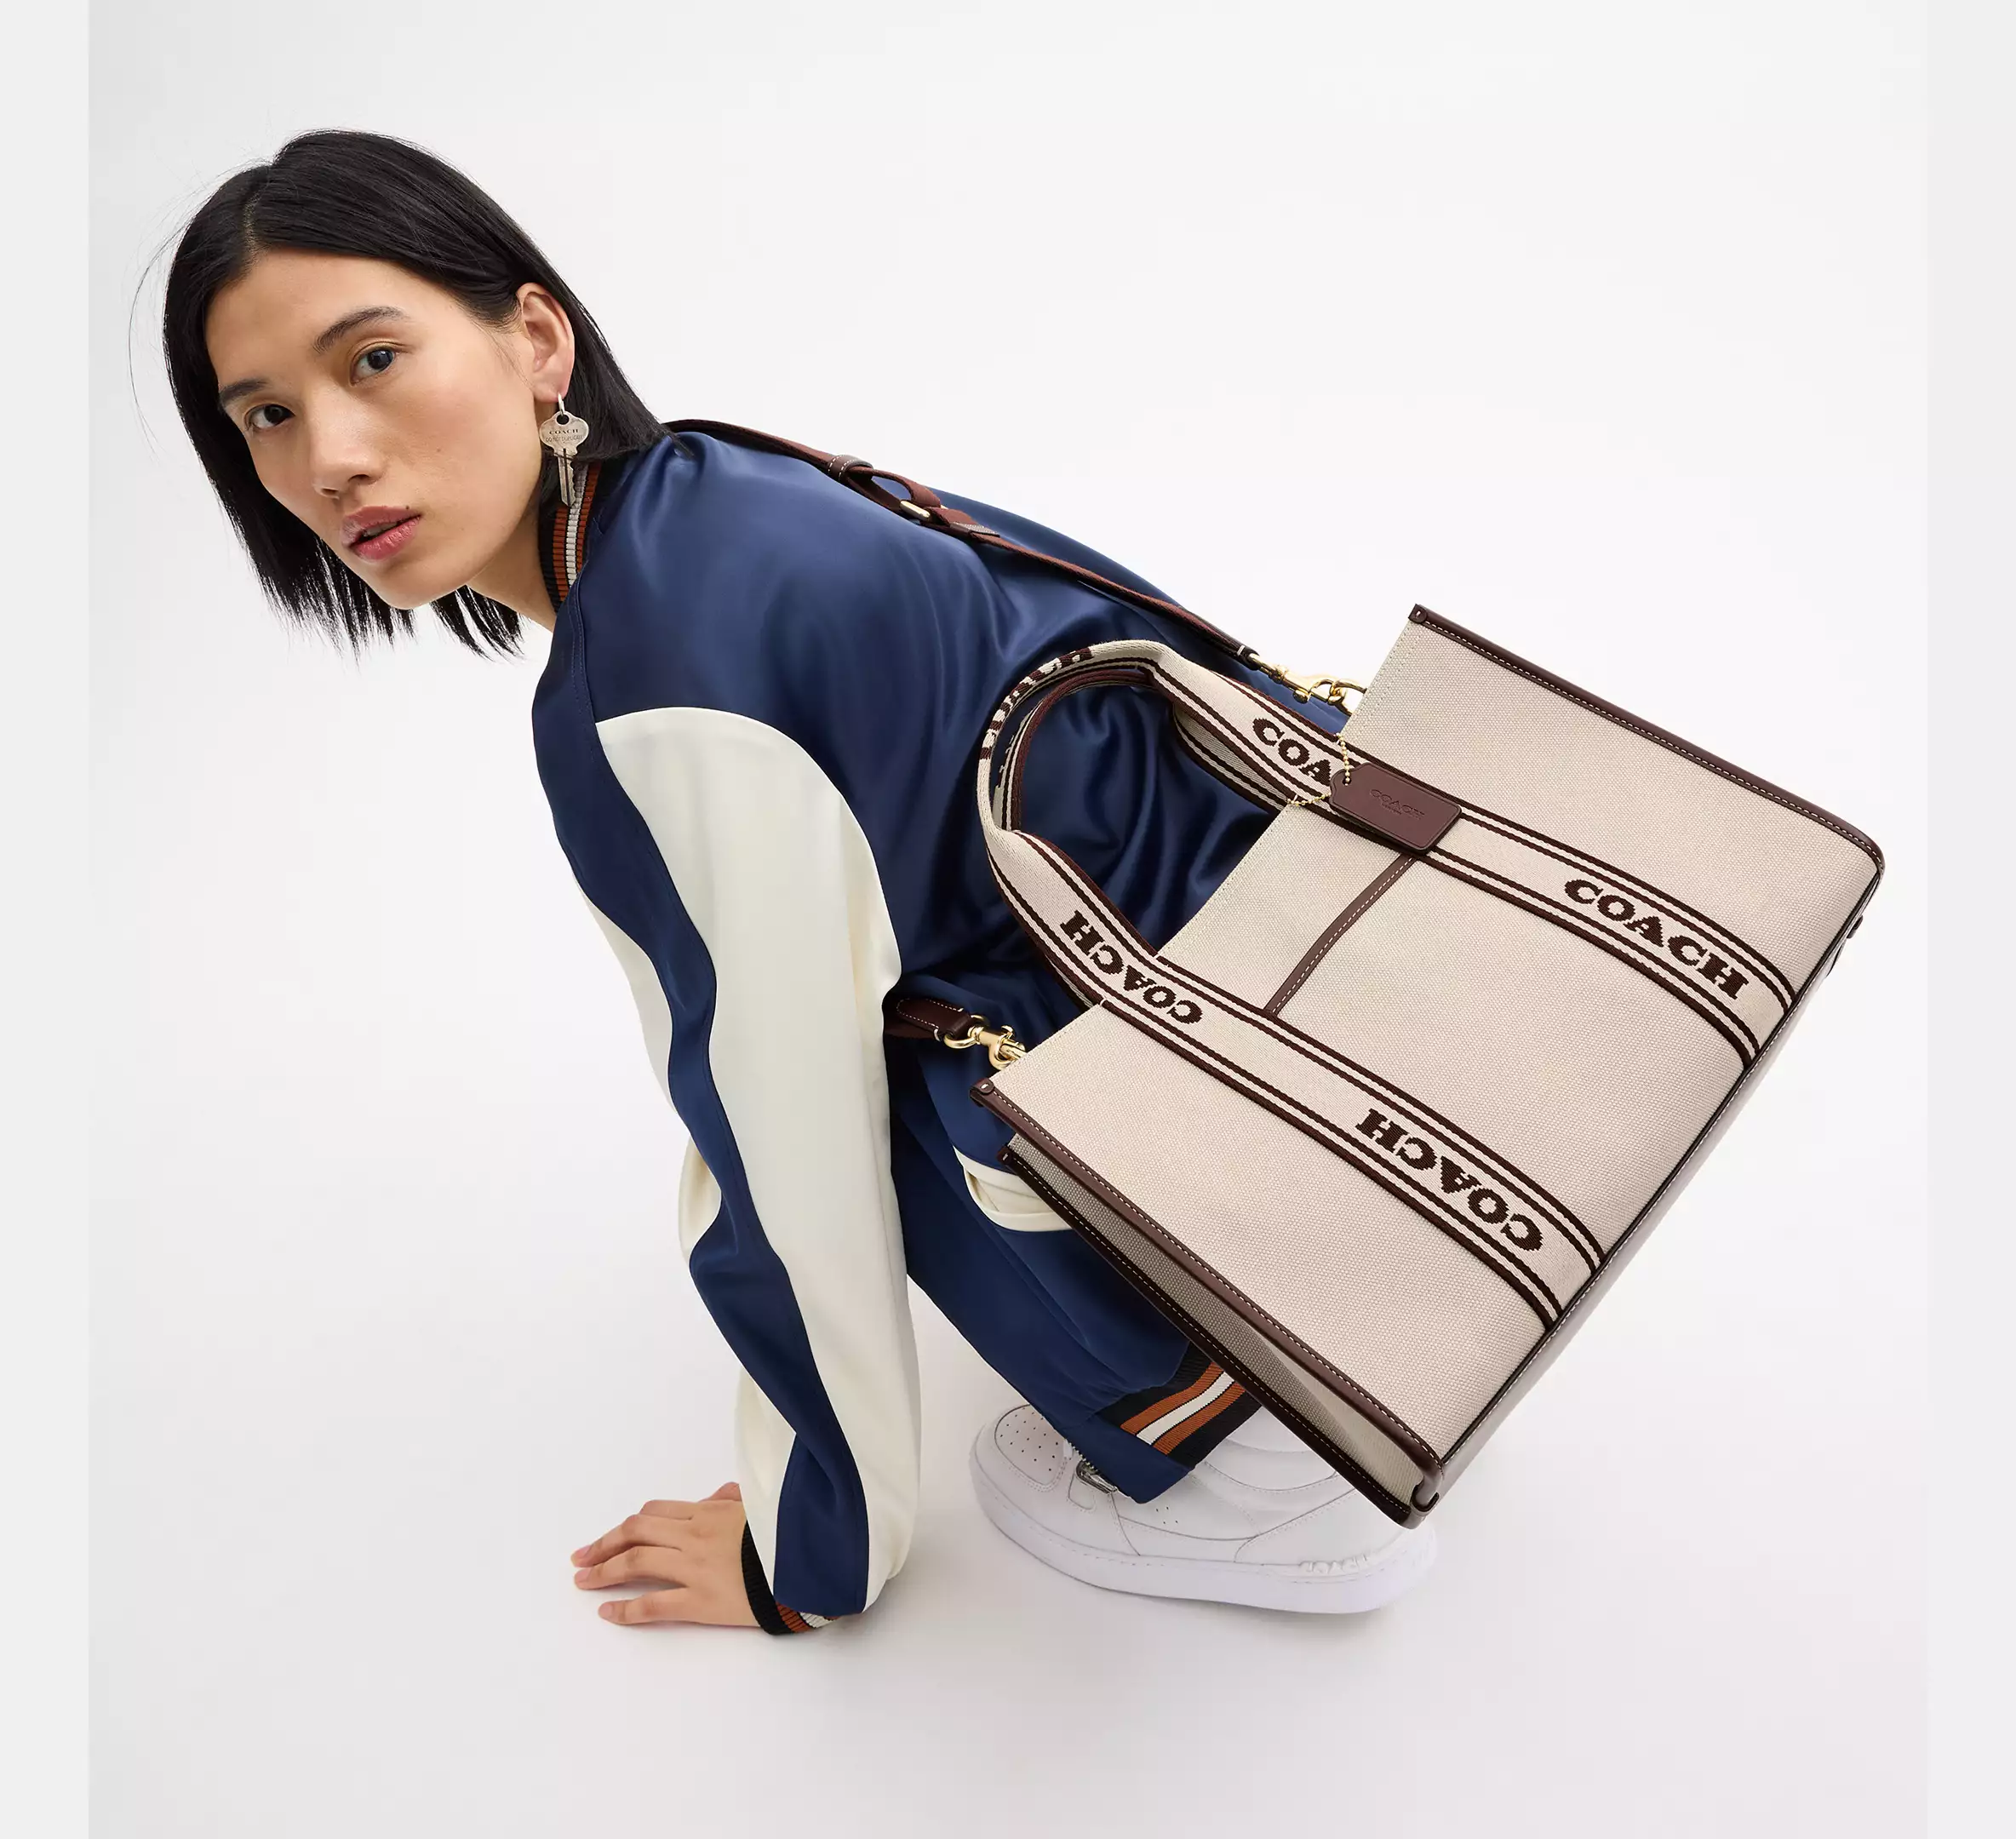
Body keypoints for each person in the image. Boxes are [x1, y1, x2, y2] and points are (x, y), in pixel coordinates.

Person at [162, 129, 1437, 1635]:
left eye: (373, 359)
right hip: (1397, 1026)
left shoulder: (648, 687)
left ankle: (1251, 1467)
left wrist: (808, 1552)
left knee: (828, 1075)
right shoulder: (728, 484)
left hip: (1262, 1171)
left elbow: (781, 1152)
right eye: (266, 415)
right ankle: (1350, 1332)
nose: (328, 459)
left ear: (535, 339)